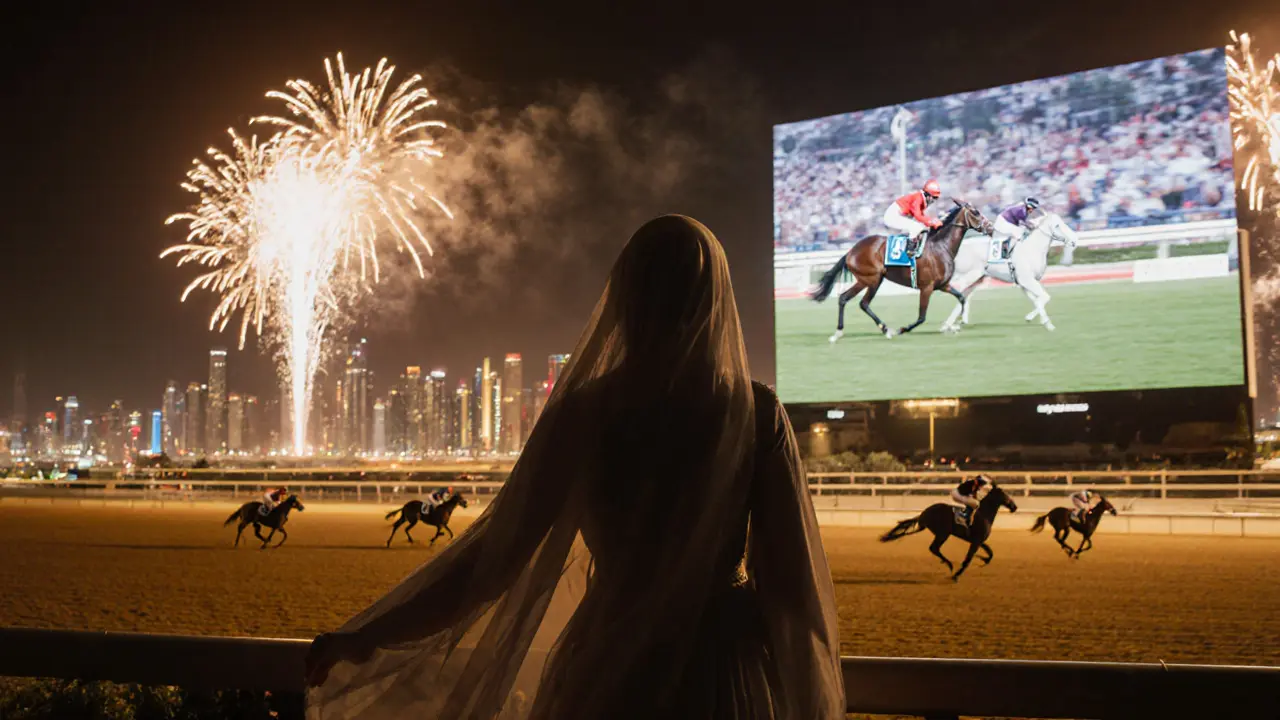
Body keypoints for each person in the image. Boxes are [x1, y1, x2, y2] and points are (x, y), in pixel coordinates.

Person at [304, 215, 844, 719]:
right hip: (721, 668)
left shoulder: (587, 413)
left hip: (611, 657)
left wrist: (369, 636)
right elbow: (794, 586)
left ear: (627, 297)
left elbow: (491, 563)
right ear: (712, 300)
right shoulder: (754, 413)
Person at [884, 179, 943, 258]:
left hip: (899, 215)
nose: (934, 201)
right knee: (916, 227)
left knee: (920, 227)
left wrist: (931, 222)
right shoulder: (918, 198)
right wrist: (932, 222)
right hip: (892, 215)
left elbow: (921, 216)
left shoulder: (921, 199)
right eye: (934, 198)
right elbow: (918, 216)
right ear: (927, 195)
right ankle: (910, 250)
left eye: (936, 198)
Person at [990, 197, 1042, 261]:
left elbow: (1023, 222)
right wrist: (1032, 227)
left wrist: (1031, 226)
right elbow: (1023, 223)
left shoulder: (1022, 207)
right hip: (1003, 222)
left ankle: (1009, 253)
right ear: (1029, 206)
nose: (1032, 210)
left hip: (1004, 221)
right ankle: (1009, 254)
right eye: (1032, 208)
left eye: (1034, 208)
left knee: (1020, 233)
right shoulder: (1022, 210)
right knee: (1019, 234)